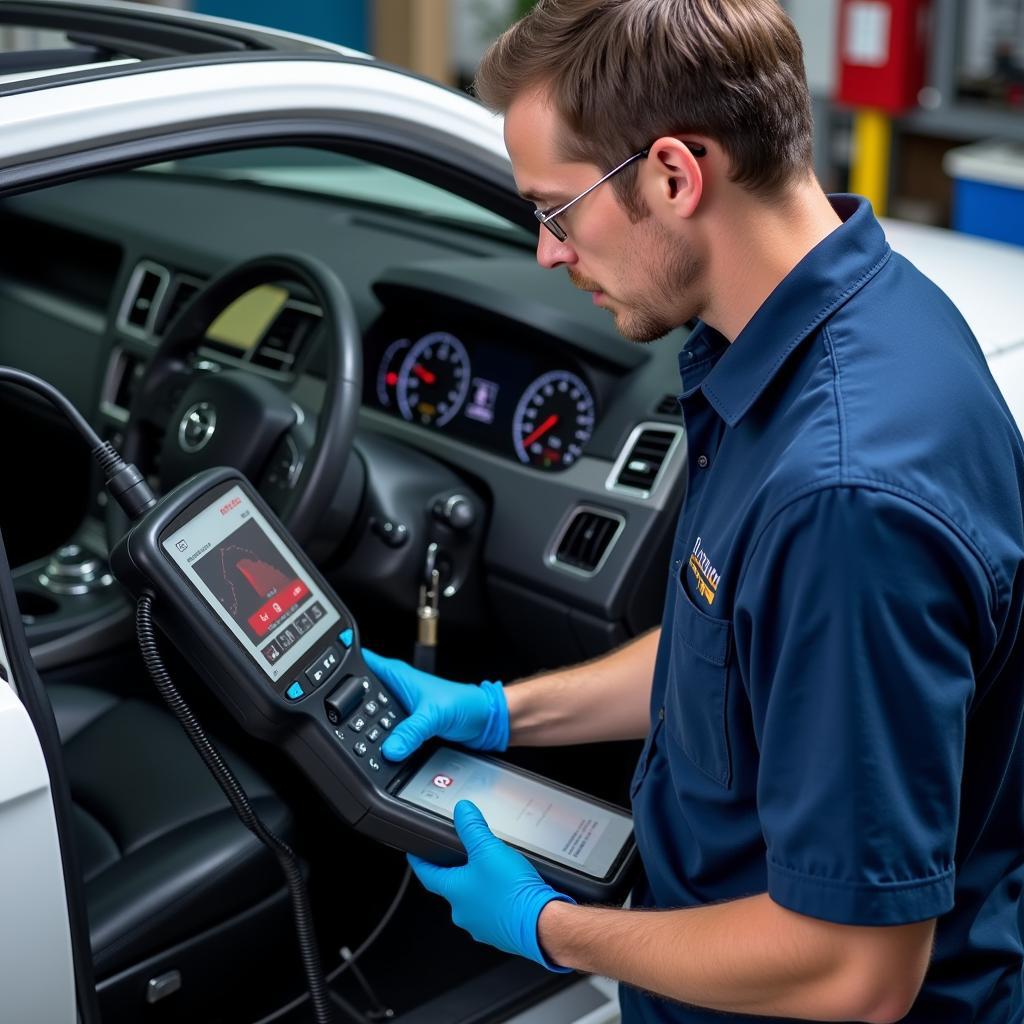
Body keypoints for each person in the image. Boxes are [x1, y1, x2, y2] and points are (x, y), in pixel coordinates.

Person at [365, 1, 1024, 1020]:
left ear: (674, 175)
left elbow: (856, 968)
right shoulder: (835, 323)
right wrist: (501, 710)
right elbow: (740, 649)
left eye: (556, 211)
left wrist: (547, 928)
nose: (547, 252)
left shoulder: (843, 498)